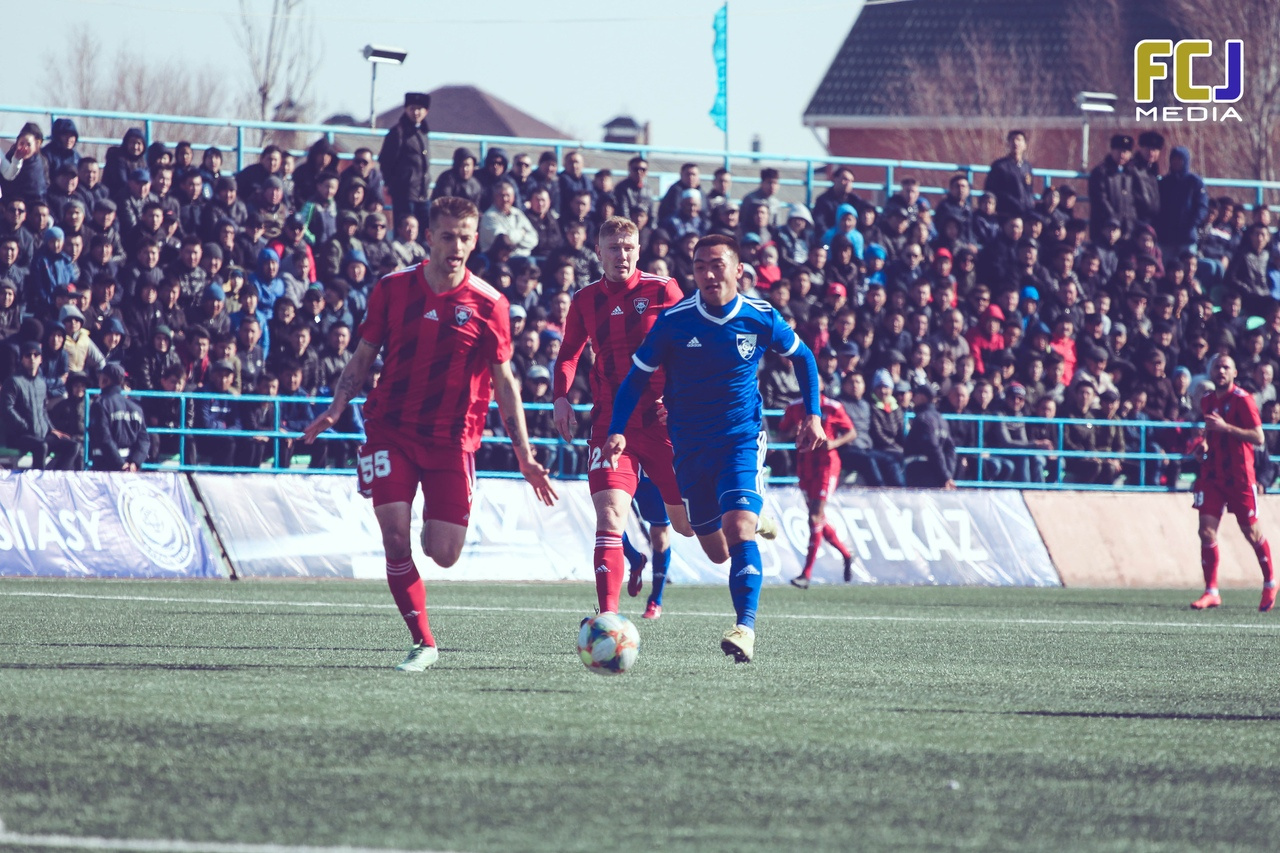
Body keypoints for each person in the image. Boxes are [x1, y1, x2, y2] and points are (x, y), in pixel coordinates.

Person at [302, 196, 557, 672]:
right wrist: (336, 409)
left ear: (475, 240)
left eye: (465, 238)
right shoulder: (392, 288)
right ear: (429, 238)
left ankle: (426, 521)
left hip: (452, 441)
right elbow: (362, 357)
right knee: (394, 537)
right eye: (447, 236)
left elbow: (506, 384)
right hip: (391, 429)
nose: (456, 246)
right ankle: (423, 642)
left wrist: (524, 455)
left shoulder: (491, 304)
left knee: (443, 554)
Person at [603, 234, 825, 663]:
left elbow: (804, 357)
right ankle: (753, 516)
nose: (708, 274)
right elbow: (635, 377)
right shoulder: (674, 321)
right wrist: (617, 429)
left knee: (738, 528)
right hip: (689, 448)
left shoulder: (761, 316)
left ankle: (745, 628)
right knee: (716, 549)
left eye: (717, 265)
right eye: (700, 266)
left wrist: (812, 414)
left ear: (738, 270)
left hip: (740, 439)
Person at [551, 216, 693, 617]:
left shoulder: (664, 290)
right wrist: (560, 397)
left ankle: (743, 510)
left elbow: (691, 346)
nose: (622, 255)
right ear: (599, 253)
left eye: (629, 247)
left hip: (662, 422)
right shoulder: (585, 300)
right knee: (610, 514)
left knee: (685, 526)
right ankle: (609, 618)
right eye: (614, 248)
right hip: (610, 423)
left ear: (639, 250)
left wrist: (687, 401)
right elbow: (569, 354)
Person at [1190, 354, 1276, 612]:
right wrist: (1203, 446)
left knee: (1251, 532)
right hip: (1213, 474)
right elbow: (1210, 432)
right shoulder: (1207, 400)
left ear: (1234, 372)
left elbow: (1258, 437)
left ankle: (1270, 582)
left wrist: (1226, 428)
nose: (1221, 371)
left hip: (1239, 476)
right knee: (1206, 530)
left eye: (1226, 367)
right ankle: (1211, 591)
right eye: (1217, 367)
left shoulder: (1243, 400)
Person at [779, 391, 857, 588]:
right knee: (818, 518)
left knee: (814, 516)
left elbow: (851, 432)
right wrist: (792, 433)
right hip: (805, 466)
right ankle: (846, 554)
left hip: (826, 467)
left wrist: (834, 443)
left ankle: (806, 573)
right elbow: (781, 434)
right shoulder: (794, 407)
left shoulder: (832, 406)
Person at [1, 341, 82, 469]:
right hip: (19, 436)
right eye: (28, 355)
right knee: (41, 446)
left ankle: (55, 477)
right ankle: (39, 480)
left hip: (41, 434)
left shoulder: (41, 383)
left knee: (74, 446)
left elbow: (43, 410)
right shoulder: (13, 382)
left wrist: (51, 429)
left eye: (36, 355)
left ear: (41, 359)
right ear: (22, 359)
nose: (32, 358)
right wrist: (24, 426)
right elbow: (6, 408)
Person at [619, 476, 673, 620]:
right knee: (609, 521)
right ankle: (635, 559)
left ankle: (655, 600)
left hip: (652, 472)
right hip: (621, 465)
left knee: (659, 535)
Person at [378, 93, 432, 230]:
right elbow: (386, 161)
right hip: (404, 193)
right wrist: (392, 184)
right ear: (406, 109)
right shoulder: (397, 133)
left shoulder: (423, 132)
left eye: (419, 109)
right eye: (412, 108)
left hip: (423, 192)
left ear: (426, 111)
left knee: (426, 230)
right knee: (405, 230)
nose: (416, 112)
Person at [88, 363, 149, 471]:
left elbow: (103, 438)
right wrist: (135, 463)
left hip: (105, 464)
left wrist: (121, 464)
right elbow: (144, 440)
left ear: (105, 380)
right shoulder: (136, 407)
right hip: (130, 467)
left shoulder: (100, 404)